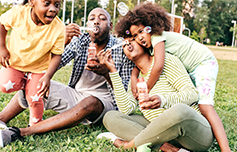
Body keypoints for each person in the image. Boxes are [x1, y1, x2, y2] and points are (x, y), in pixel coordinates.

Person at [0, 7, 135, 147]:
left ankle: (21, 132)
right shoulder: (80, 42)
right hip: (76, 96)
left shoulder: (120, 48)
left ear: (110, 25)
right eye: (92, 19)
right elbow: (49, 66)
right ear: (87, 25)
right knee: (35, 83)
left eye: (102, 18)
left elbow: (124, 93)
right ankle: (2, 119)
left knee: (90, 102)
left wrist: (107, 73)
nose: (96, 22)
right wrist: (62, 42)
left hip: (105, 104)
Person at [114, 2, 231, 151]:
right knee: (192, 104)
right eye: (135, 36)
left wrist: (147, 89)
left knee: (205, 106)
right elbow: (141, 66)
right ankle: (168, 143)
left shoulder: (157, 37)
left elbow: (158, 66)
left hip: (203, 63)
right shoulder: (150, 49)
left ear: (150, 26)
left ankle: (225, 147)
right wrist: (133, 75)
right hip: (191, 68)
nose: (139, 38)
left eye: (142, 31)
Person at [97, 38, 214, 151]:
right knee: (110, 117)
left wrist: (163, 100)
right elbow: (126, 109)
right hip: (163, 134)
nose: (127, 44)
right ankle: (167, 148)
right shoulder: (136, 78)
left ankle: (129, 145)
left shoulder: (166, 61)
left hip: (193, 134)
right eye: (124, 43)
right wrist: (112, 70)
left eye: (132, 39)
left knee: (179, 110)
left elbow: (192, 94)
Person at [0, 0, 65, 126]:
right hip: (16, 63)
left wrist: (47, 76)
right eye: (47, 3)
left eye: (56, 5)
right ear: (32, 2)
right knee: (4, 85)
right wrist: (2, 47)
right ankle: (27, 85)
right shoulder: (18, 13)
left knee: (35, 99)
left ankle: (34, 126)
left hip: (39, 69)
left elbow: (57, 55)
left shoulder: (59, 28)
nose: (53, 9)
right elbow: (2, 24)